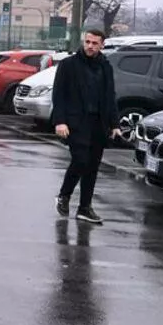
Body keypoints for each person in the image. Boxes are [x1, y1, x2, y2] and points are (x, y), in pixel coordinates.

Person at [50, 29, 120, 225]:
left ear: (102, 45)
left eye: (94, 43)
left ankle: (85, 208)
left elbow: (110, 95)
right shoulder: (68, 65)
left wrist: (115, 123)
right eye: (87, 42)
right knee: (80, 160)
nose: (90, 46)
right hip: (75, 122)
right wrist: (60, 121)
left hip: (98, 123)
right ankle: (64, 195)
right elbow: (59, 95)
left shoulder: (105, 66)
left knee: (92, 166)